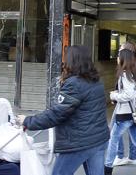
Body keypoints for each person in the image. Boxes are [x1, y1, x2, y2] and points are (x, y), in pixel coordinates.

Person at [23, 45, 109, 175]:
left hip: (78, 143)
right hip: (98, 139)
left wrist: (27, 121)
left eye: (66, 59)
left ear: (72, 61)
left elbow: (57, 114)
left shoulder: (74, 84)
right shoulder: (96, 81)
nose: (63, 62)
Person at [113, 41, 136, 167]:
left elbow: (128, 92)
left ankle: (119, 156)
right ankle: (133, 157)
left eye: (121, 50)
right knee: (133, 133)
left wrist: (115, 95)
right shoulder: (133, 64)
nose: (119, 52)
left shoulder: (129, 68)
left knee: (115, 132)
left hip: (126, 105)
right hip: (129, 106)